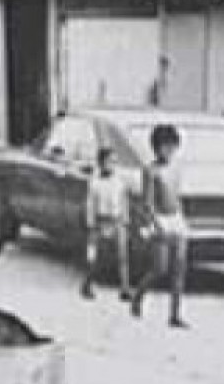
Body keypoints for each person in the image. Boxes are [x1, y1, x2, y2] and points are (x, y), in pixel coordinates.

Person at [129, 124, 191, 329]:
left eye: (172, 146)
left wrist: (182, 218)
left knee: (179, 268)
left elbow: (177, 196)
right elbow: (148, 203)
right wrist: (155, 223)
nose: (169, 150)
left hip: (176, 218)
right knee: (160, 268)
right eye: (165, 146)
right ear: (156, 147)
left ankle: (175, 314)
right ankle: (138, 296)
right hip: (160, 219)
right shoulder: (150, 170)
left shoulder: (177, 167)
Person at [80, 146, 132, 300]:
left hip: (117, 220)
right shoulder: (94, 182)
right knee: (93, 256)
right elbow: (91, 203)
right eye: (109, 161)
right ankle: (87, 284)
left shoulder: (119, 181)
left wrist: (125, 219)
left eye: (114, 162)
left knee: (122, 256)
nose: (111, 165)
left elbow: (124, 200)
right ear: (101, 163)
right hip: (99, 221)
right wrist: (90, 224)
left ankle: (125, 288)